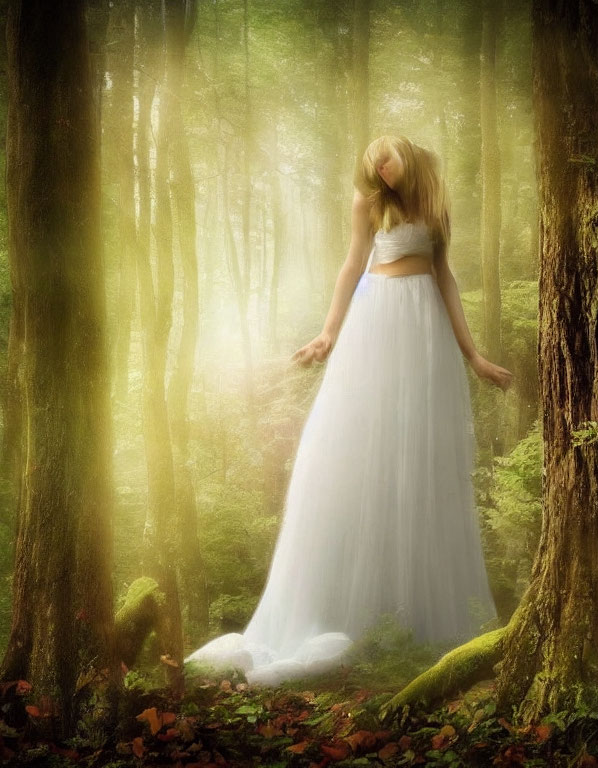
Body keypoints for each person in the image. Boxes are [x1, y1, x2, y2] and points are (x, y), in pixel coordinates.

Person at [185, 135, 513, 686]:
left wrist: (473, 354)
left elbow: (445, 276)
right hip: (377, 320)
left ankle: (419, 622)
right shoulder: (368, 202)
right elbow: (351, 266)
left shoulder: (434, 202)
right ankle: (349, 614)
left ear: (406, 155)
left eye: (386, 158)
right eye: (372, 164)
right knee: (359, 449)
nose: (380, 170)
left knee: (421, 457)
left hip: (425, 327)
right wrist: (327, 335)